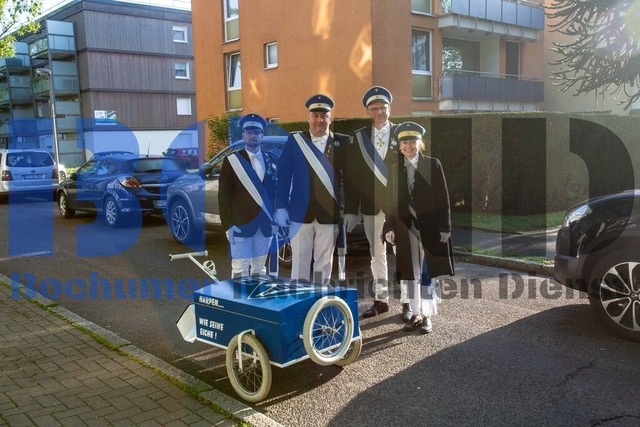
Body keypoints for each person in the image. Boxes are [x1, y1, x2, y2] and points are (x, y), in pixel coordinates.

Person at [343, 86, 412, 321]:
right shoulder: (359, 138)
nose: (379, 112)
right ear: (367, 112)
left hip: (398, 207)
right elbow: (351, 177)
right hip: (371, 206)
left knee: (402, 254)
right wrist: (351, 210)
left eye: (383, 107)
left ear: (390, 109)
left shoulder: (403, 134)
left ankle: (407, 302)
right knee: (376, 254)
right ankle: (381, 301)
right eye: (374, 108)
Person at [383, 121, 454, 334]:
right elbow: (390, 204)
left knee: (426, 272)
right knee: (409, 272)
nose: (408, 146)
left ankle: (427, 316)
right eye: (404, 142)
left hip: (430, 228)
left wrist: (445, 227)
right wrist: (389, 227)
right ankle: (415, 313)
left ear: (420, 143)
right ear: (399, 145)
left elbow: (443, 198)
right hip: (405, 229)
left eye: (412, 142)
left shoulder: (433, 165)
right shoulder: (394, 170)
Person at [275, 94, 348, 284]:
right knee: (299, 262)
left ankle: (319, 298)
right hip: (300, 212)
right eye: (315, 115)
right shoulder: (295, 141)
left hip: (329, 213)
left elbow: (349, 179)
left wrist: (348, 209)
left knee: (324, 265)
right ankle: (299, 299)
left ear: (330, 119)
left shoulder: (342, 143)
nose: (319, 120)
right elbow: (283, 176)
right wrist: (281, 207)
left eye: (324, 116)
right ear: (308, 117)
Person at [218, 113, 277, 277]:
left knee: (260, 268)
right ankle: (239, 295)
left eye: (256, 132)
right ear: (243, 135)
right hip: (240, 224)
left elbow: (275, 193)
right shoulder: (232, 161)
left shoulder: (271, 160)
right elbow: (224, 196)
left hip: (265, 224)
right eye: (249, 132)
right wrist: (228, 225)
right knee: (240, 269)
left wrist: (276, 219)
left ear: (262, 135)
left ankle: (257, 294)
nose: (253, 136)